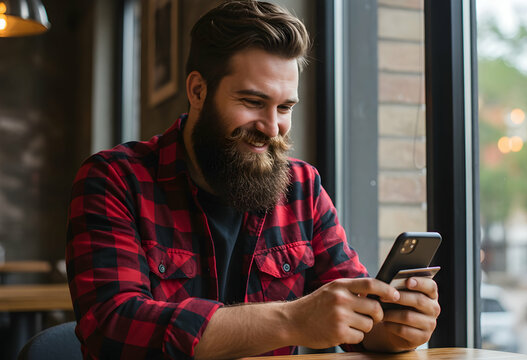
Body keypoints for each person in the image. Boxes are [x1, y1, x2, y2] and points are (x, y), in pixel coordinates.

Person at [65, 1, 440, 359]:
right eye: (252, 102)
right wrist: (293, 320)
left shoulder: (302, 189)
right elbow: (112, 327)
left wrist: (391, 327)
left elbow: (352, 314)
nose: (272, 127)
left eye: (285, 107)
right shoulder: (114, 179)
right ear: (198, 91)